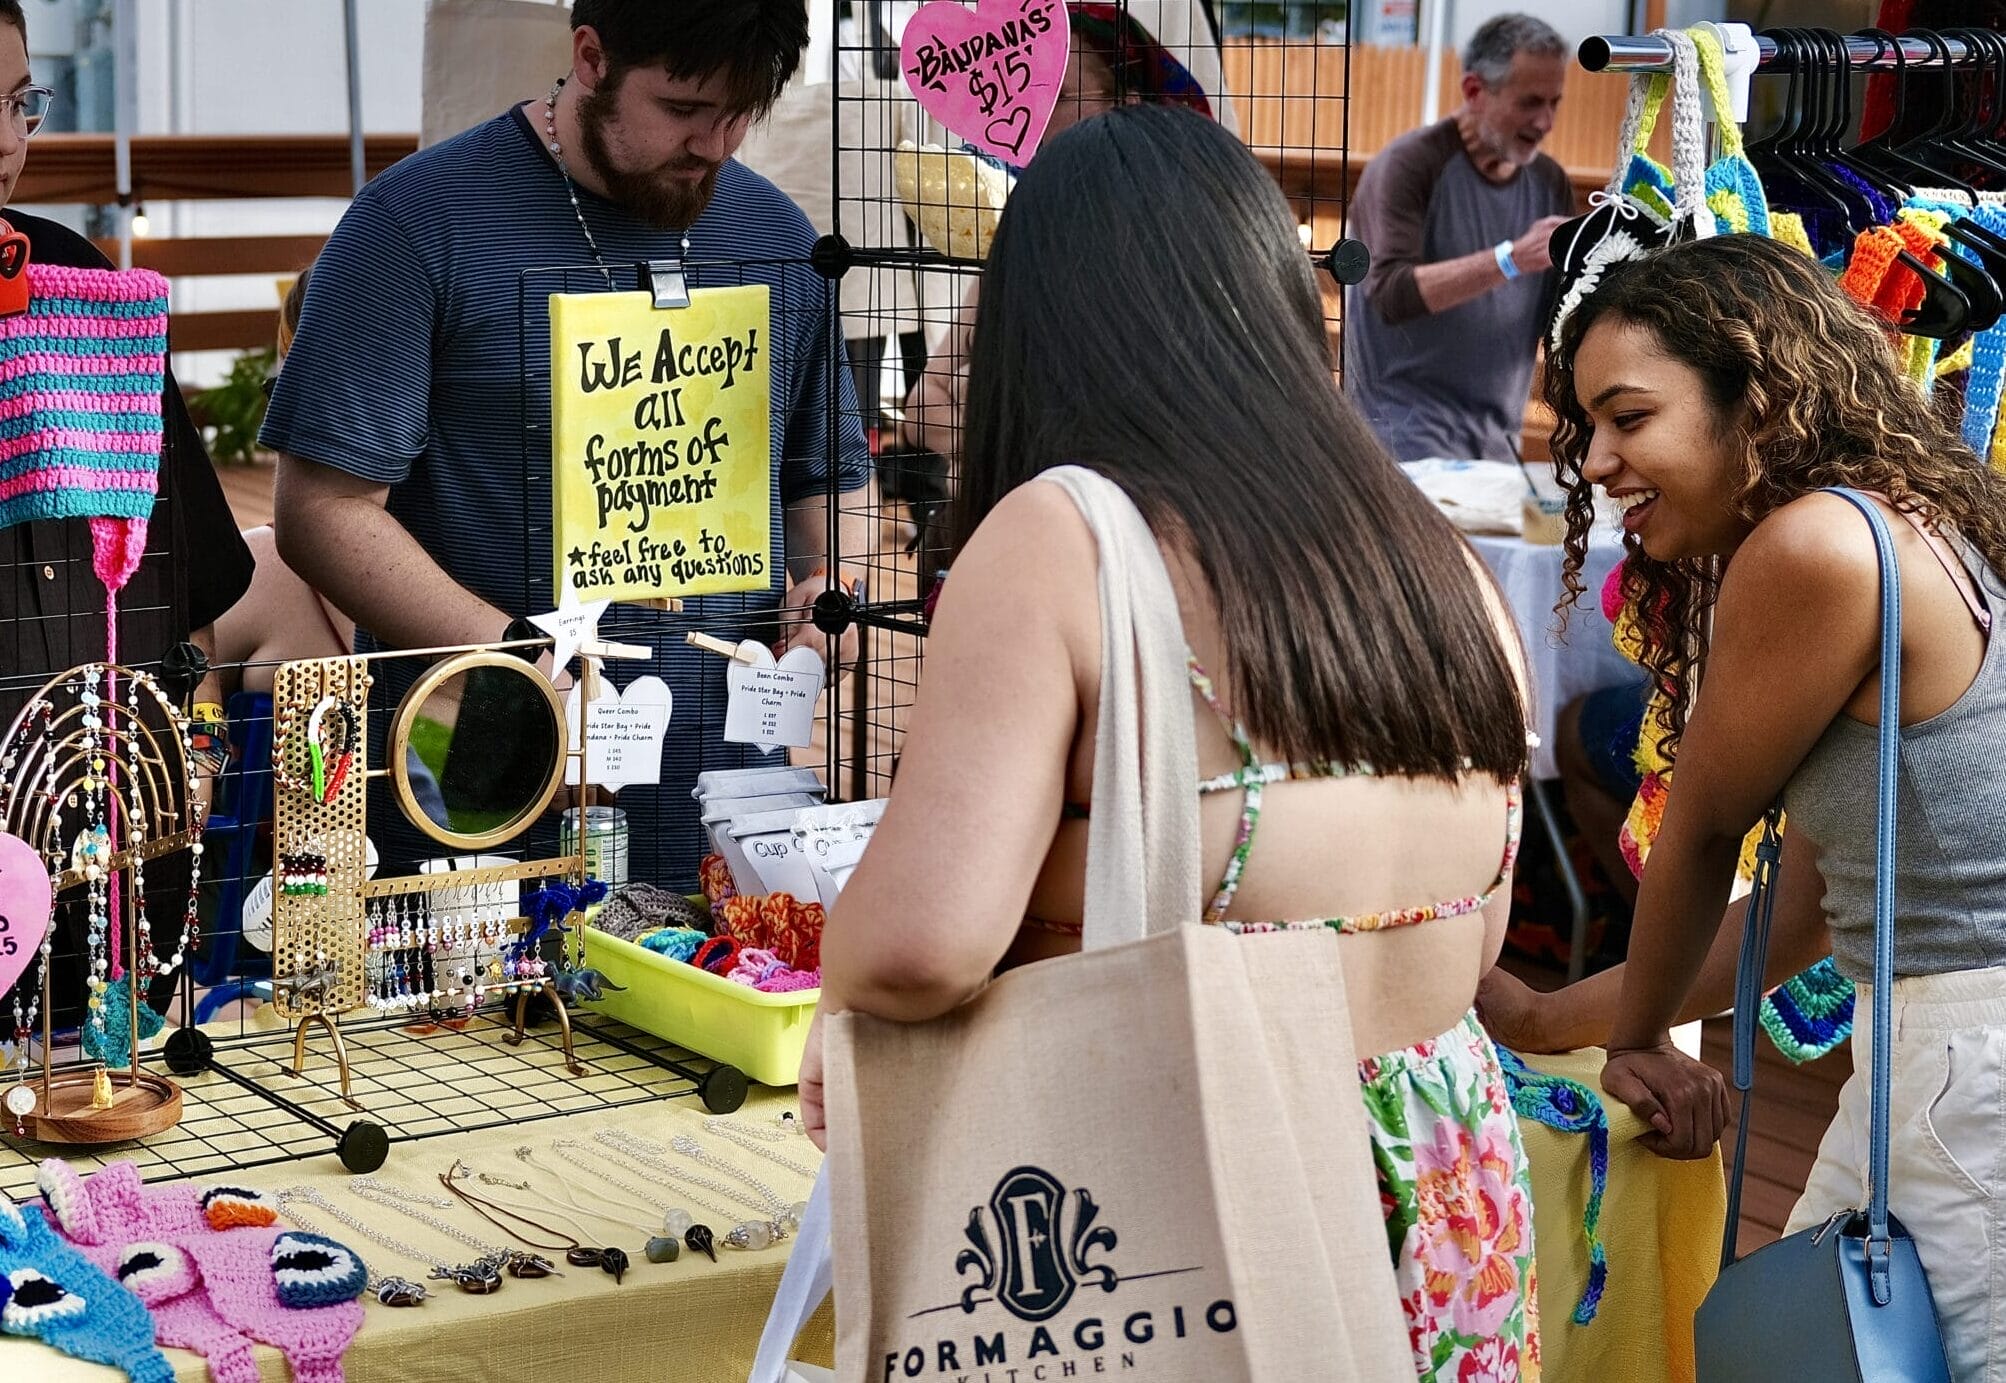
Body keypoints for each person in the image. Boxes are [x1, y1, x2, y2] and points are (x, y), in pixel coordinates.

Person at [805, 104, 1541, 1382]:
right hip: (1443, 1197)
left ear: (1039, 325)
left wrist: (838, 990)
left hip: (1181, 1210)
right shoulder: (1443, 569)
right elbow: (1473, 940)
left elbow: (922, 944)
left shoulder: (1064, 537)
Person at [1480, 233, 2006, 1380]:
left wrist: (1626, 1043)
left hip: (1963, 1077)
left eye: (1628, 418)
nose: (1597, 463)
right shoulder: (1894, 526)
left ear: (1753, 398)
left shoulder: (1813, 546)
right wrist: (1544, 1023)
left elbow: (1702, 828)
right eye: (1586, 429)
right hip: (1934, 1067)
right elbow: (1805, 914)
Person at [261, 0, 871, 886]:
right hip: (480, 792)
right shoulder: (416, 221)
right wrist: (514, 656)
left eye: (741, 115)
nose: (715, 144)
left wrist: (830, 595)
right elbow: (320, 512)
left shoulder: (778, 240)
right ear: (590, 57)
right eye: (685, 109)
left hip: (730, 805)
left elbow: (830, 493)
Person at [0, 0, 253, 1029]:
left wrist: (189, 750)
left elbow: (177, 571)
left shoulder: (71, 283)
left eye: (19, 101)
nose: (7, 140)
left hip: (95, 890)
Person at [902, 4, 1214, 464]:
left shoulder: (1178, 247)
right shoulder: (1024, 237)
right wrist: (990, 445)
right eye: (1025, 94)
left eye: (1056, 95)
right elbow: (922, 403)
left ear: (1126, 104)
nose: (1035, 116)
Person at [1344, 13, 1574, 463]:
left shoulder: (1550, 184)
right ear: (1474, 92)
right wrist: (1510, 259)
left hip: (1496, 446)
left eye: (1554, 103)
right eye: (1530, 103)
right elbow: (1391, 293)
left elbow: (1561, 315)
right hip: (1401, 445)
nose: (1546, 122)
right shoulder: (1408, 165)